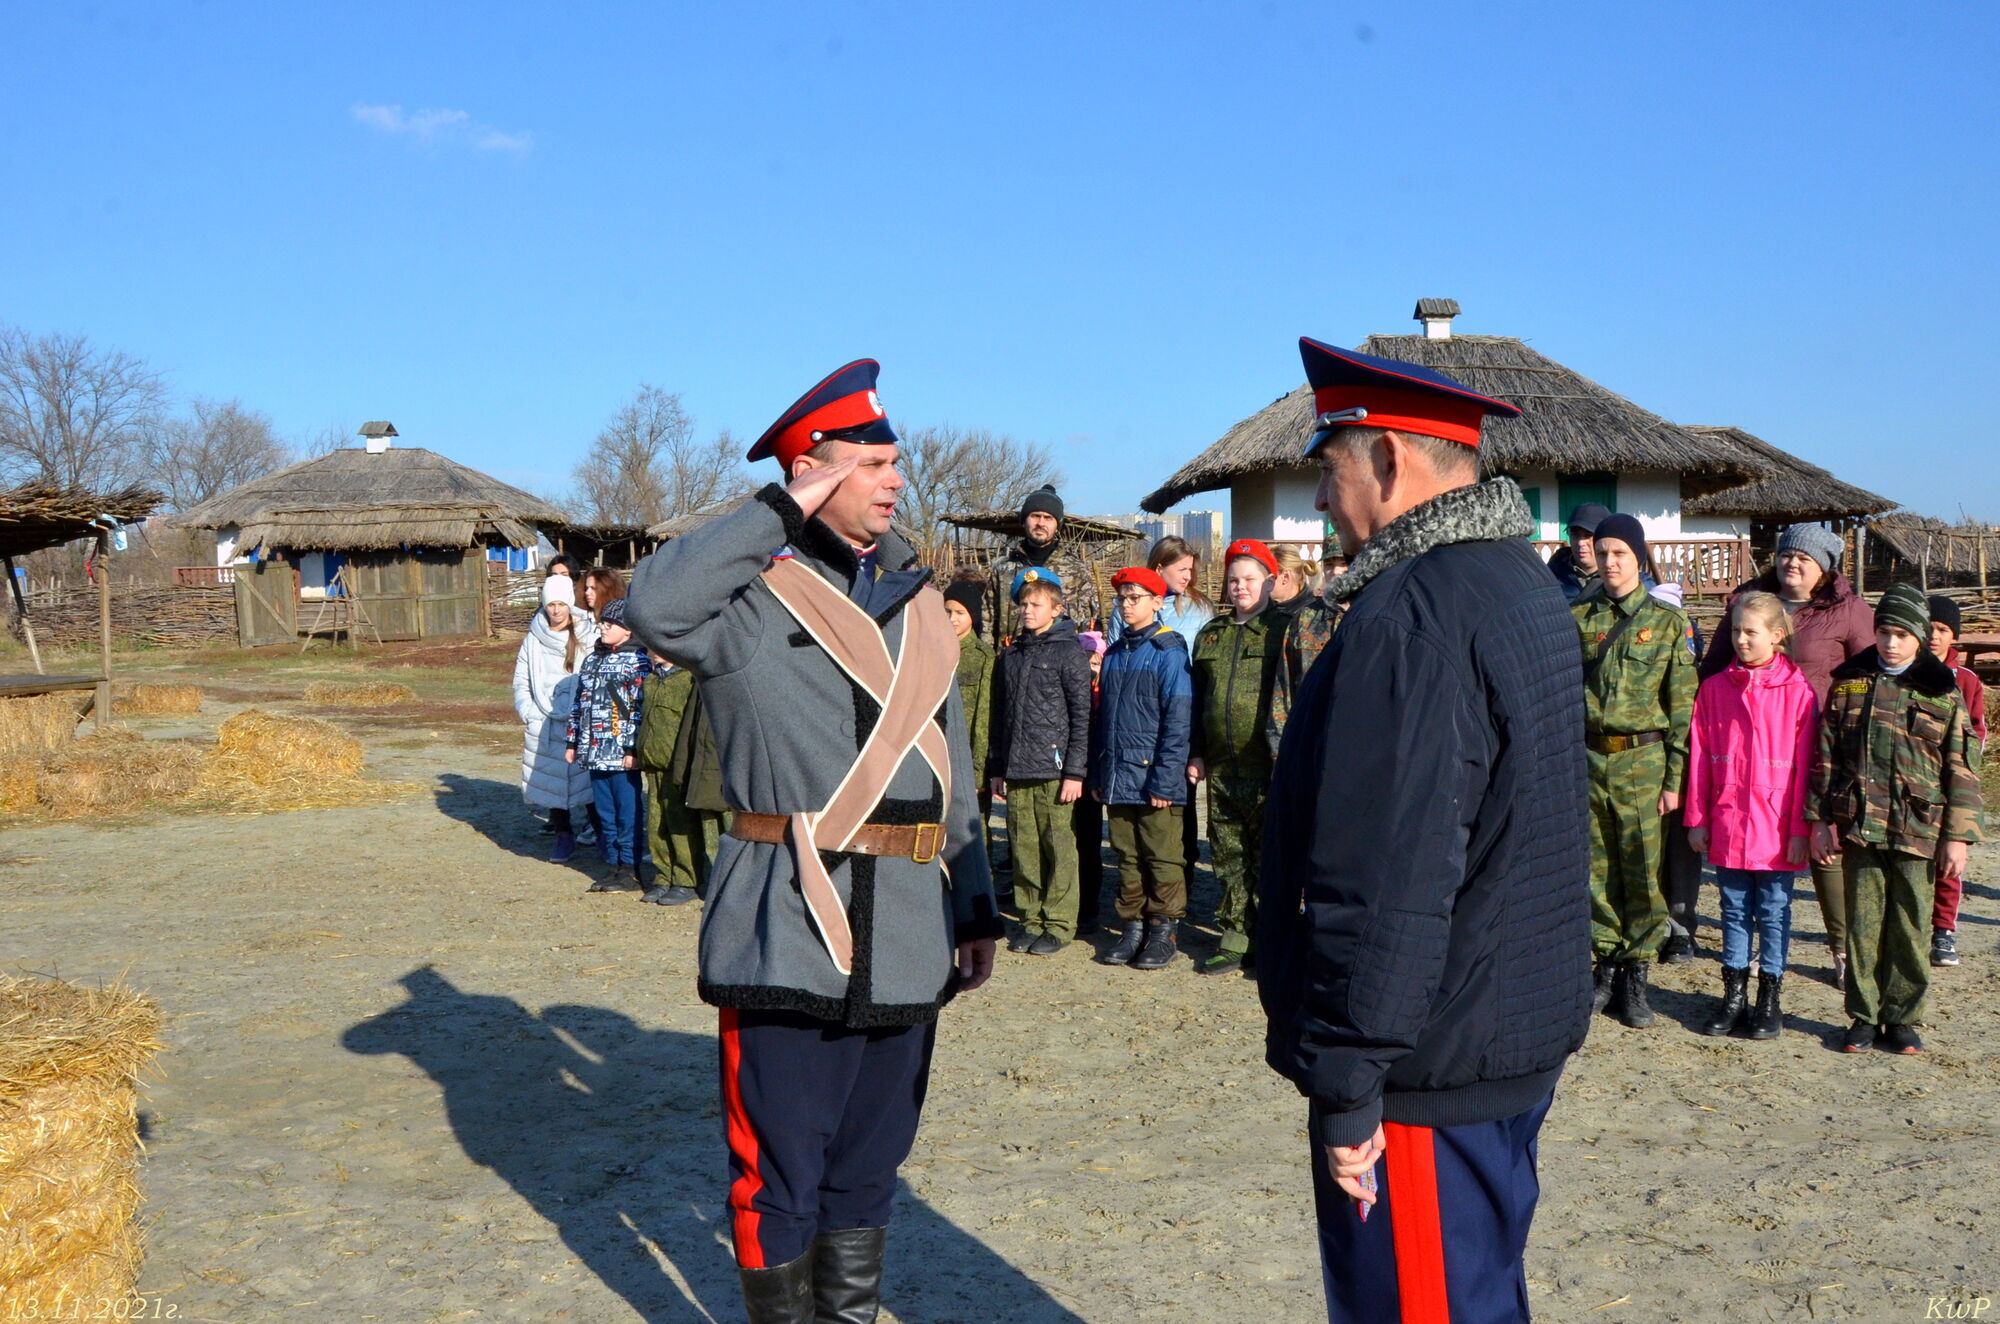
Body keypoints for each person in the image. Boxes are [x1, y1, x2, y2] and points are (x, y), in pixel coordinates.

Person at [625, 359, 999, 1322]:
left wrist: (974, 903)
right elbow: (652, 606)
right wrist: (778, 511)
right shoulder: (748, 598)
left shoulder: (919, 600)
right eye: (871, 463)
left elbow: (950, 761)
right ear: (812, 472)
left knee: (869, 1172)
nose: (895, 480)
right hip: (785, 926)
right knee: (779, 1178)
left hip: (908, 927)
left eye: (894, 462)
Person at [1257, 337, 1589, 1324]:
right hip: (1495, 1033)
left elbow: (1387, 874)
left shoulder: (1415, 614)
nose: (1322, 500)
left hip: (1423, 1063)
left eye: (1329, 469)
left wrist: (1350, 1077)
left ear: (1388, 459)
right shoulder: (1514, 580)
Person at [1810, 584, 1984, 1055]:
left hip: (1918, 827)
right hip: (1860, 825)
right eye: (1884, 632)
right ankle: (1864, 1016)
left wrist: (1958, 836)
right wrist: (1820, 820)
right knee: (1863, 925)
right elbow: (1824, 757)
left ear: (1920, 637)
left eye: (1903, 635)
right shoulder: (1849, 682)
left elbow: (1962, 767)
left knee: (1910, 925)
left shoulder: (1941, 690)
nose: (1891, 643)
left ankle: (1902, 1018)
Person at [1700, 522, 1874, 987]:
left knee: (1824, 846)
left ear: (1824, 567)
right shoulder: (1749, 603)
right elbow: (1715, 666)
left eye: (1804, 558)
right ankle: (1758, 952)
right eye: (1786, 555)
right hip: (1756, 747)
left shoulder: (1848, 611)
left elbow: (1870, 673)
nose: (1791, 563)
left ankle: (1843, 948)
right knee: (1761, 858)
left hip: (1823, 744)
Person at [1573, 513, 1697, 1027]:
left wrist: (1674, 780)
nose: (1609, 562)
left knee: (1643, 872)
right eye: (1603, 552)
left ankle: (1636, 973)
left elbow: (1683, 708)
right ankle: (1605, 964)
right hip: (1589, 759)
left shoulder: (1668, 623)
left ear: (1639, 556)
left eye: (1620, 553)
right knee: (1596, 870)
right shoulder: (1578, 618)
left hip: (1643, 762)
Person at [1685, 592, 1817, 1039]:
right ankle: (1733, 996)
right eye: (1736, 631)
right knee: (1733, 908)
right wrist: (1698, 818)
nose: (1741, 640)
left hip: (1776, 826)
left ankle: (1769, 998)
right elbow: (1700, 758)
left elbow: (1806, 768)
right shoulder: (1714, 689)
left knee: (1775, 911)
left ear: (1777, 635)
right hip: (1728, 820)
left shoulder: (1798, 693)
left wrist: (1800, 829)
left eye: (1751, 632)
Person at [1187, 537, 1282, 976]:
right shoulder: (1212, 633)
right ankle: (1235, 936)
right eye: (1233, 580)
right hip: (1222, 765)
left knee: (1269, 855)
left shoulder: (1284, 630)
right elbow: (1196, 699)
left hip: (1268, 764)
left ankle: (1270, 938)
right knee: (1228, 852)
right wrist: (1196, 752)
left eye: (1249, 579)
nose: (1240, 587)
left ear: (1270, 582)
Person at [1091, 565, 1193, 971]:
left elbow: (1178, 721)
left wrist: (1166, 780)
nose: (1126, 605)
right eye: (1122, 598)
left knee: (1162, 856)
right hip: (1118, 775)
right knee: (1127, 855)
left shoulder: (1169, 652)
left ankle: (1163, 930)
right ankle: (1132, 927)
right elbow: (1104, 721)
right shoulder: (1115, 653)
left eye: (1135, 598)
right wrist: (1100, 774)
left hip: (1154, 777)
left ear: (1157, 602)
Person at [989, 567, 1093, 955]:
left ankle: (1059, 923)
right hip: (1018, 768)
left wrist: (1075, 771)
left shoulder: (1070, 653)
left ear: (1057, 609)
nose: (1027, 610)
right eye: (1023, 604)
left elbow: (1082, 716)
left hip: (1055, 770)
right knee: (1024, 848)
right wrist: (997, 767)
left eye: (1036, 604)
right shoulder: (1011, 656)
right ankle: (1031, 918)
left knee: (1058, 847)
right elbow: (1000, 715)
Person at [566, 597, 651, 894]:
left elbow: (638, 710)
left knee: (626, 811)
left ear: (628, 630)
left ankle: (630, 868)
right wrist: (573, 741)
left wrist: (632, 749)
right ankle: (614, 865)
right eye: (602, 622)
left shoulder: (638, 661)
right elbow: (579, 704)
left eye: (610, 624)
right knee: (605, 812)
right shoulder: (592, 660)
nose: (603, 627)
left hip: (621, 755)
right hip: (593, 751)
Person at [511, 575, 598, 862]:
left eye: (561, 604)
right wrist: (529, 712)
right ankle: (563, 835)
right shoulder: (533, 640)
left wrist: (588, 712)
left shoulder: (587, 635)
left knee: (589, 781)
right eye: (551, 604)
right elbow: (521, 680)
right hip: (545, 720)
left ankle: (601, 833)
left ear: (569, 604)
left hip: (580, 718)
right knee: (552, 782)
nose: (556, 610)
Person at [636, 649, 723, 906]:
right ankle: (664, 876)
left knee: (681, 825)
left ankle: (686, 880)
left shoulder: (688, 680)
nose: (652, 651)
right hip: (653, 763)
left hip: (677, 764)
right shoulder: (651, 679)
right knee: (657, 825)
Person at [1927, 595, 1987, 967]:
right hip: (1909, 782)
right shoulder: (1899, 674)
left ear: (1954, 637)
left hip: (1950, 784)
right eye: (1928, 628)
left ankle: (1943, 930)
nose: (1933, 636)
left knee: (1949, 861)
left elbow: (1977, 732)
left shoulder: (1965, 681)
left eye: (1942, 629)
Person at [985, 485, 1099, 645]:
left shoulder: (1077, 571)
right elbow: (987, 623)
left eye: (1048, 518)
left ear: (1057, 524)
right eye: (1035, 516)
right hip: (1012, 656)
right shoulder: (1003, 570)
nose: (1040, 523)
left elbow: (1090, 626)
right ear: (1024, 521)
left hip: (1061, 658)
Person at [1265, 543, 1341, 756]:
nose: (1336, 571)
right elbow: (1283, 689)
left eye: (1344, 562)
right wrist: (1279, 753)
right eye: (1329, 564)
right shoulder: (1305, 618)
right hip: (1307, 744)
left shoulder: (1374, 617)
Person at [943, 578, 997, 870]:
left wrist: (977, 770)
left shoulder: (983, 657)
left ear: (972, 617)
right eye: (947, 611)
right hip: (938, 754)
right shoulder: (932, 650)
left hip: (966, 756)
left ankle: (980, 881)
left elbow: (984, 718)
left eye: (959, 613)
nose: (952, 619)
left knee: (973, 827)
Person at [1073, 630, 1108, 934]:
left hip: (1093, 776)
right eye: (1086, 660)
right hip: (1071, 771)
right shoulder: (1071, 689)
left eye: (1096, 661)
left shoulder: (1106, 693)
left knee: (1089, 843)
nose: (1091, 667)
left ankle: (1089, 906)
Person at [1547, 501, 1611, 604]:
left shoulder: (1619, 577)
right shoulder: (1552, 576)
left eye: (1588, 535)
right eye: (1575, 535)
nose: (1580, 543)